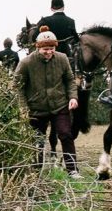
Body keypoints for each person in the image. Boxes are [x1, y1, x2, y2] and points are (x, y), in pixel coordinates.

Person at [15, 26, 81, 177]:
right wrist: (23, 108)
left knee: (65, 134)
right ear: (38, 47)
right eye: (45, 49)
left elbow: (70, 80)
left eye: (51, 48)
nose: (49, 52)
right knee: (38, 140)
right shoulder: (26, 63)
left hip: (59, 105)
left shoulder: (62, 58)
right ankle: (36, 172)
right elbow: (16, 86)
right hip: (36, 108)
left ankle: (73, 170)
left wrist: (72, 97)